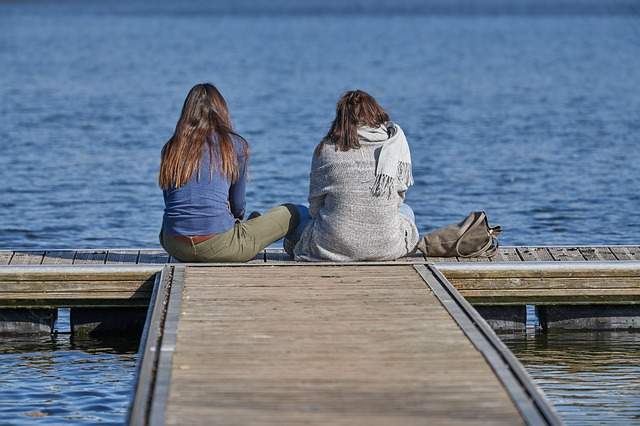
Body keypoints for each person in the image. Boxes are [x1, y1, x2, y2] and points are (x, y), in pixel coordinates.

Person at [159, 83, 299, 262]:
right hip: (219, 246)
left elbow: (171, 202)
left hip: (174, 244)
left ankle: (247, 228)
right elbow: (238, 205)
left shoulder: (171, 147)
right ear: (221, 110)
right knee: (292, 212)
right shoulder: (235, 145)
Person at [289, 89, 419, 261]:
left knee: (300, 220)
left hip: (330, 246)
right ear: (376, 114)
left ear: (341, 118)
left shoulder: (327, 149)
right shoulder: (392, 146)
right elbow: (398, 199)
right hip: (387, 247)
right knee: (406, 210)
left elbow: (315, 206)